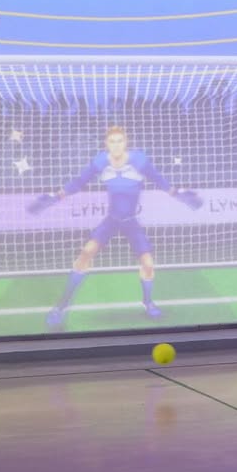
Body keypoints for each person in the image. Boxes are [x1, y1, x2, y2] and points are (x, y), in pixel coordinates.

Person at [28, 125, 201, 328]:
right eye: (112, 141)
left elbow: (160, 181)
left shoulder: (139, 161)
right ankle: (60, 307)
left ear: (126, 143)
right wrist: (56, 196)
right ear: (106, 144)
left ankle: (148, 302)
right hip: (111, 220)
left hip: (131, 222)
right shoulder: (100, 162)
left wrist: (178, 193)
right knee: (86, 252)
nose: (116, 145)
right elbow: (78, 182)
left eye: (120, 141)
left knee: (148, 264)